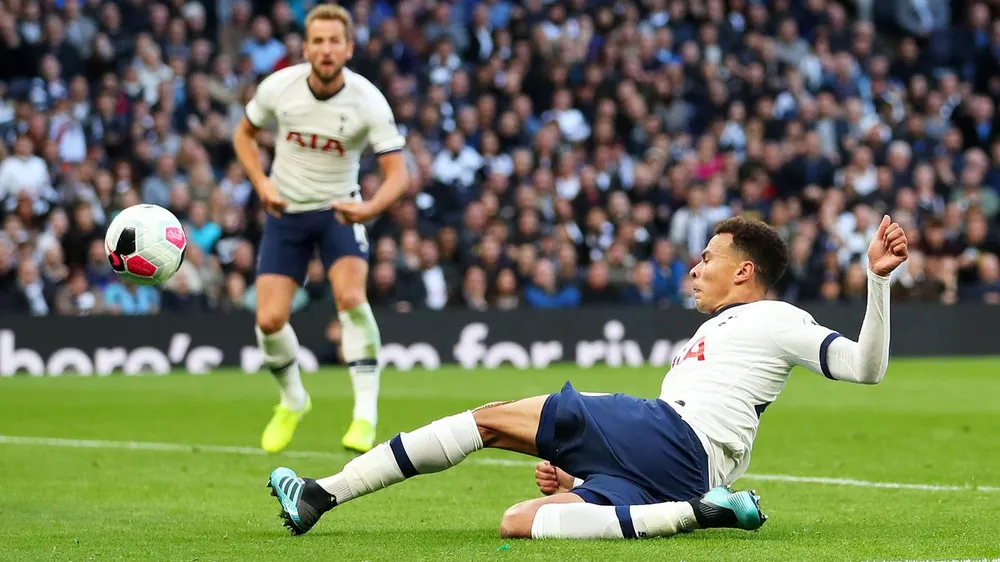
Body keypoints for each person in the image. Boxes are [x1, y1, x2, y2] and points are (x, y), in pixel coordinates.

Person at [265, 216, 909, 539]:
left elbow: (864, 367)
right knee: (518, 521)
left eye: (707, 257)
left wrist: (877, 282)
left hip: (675, 438)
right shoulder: (710, 335)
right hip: (684, 472)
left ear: (744, 271)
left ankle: (323, 493)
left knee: (490, 420)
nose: (694, 268)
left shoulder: (774, 316)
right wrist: (579, 478)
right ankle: (697, 514)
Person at [232, 4, 408, 455]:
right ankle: (293, 400)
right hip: (286, 211)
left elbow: (398, 174)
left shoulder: (368, 100)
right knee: (269, 319)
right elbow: (243, 136)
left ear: (348, 49)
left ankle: (365, 412)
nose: (326, 49)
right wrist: (262, 183)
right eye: (318, 41)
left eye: (335, 41)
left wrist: (368, 208)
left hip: (337, 212)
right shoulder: (279, 87)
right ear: (305, 47)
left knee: (351, 298)